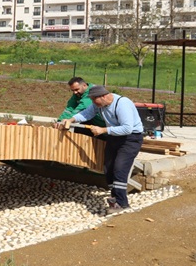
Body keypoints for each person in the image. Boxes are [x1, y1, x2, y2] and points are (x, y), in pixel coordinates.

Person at [61, 85, 144, 215]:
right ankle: (115, 198)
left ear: (104, 96)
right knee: (108, 168)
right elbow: (86, 113)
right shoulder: (98, 104)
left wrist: (103, 130)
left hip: (130, 138)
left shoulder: (122, 104)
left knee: (120, 168)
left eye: (95, 101)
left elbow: (127, 128)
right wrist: (71, 119)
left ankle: (122, 203)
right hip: (114, 136)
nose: (94, 104)